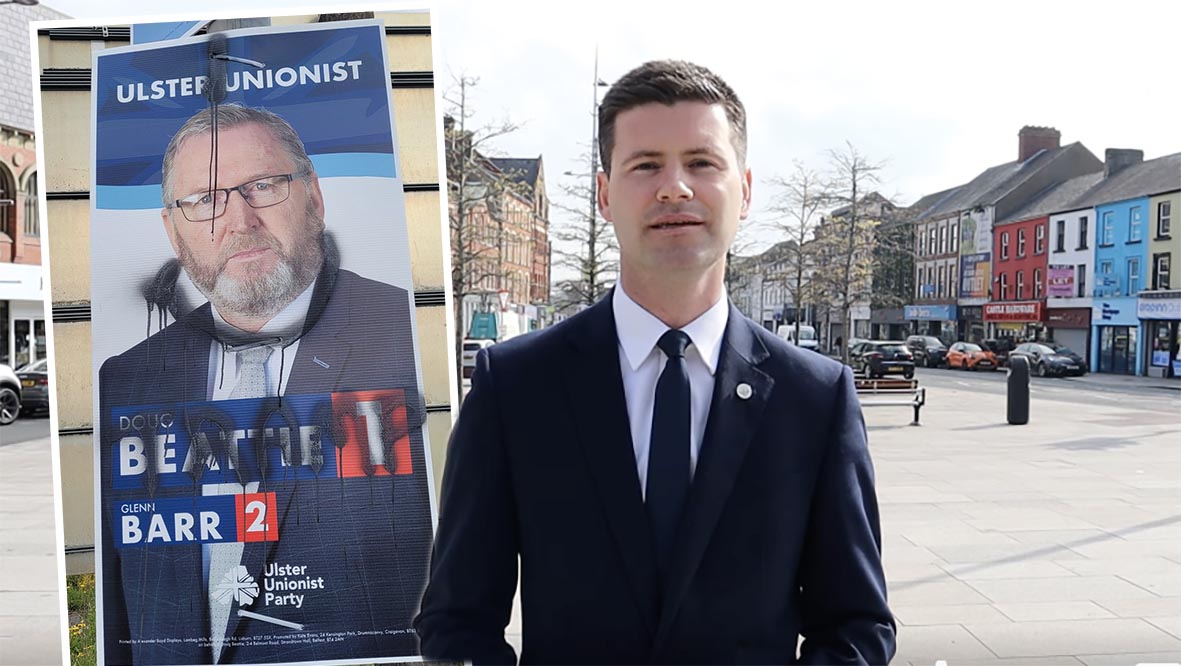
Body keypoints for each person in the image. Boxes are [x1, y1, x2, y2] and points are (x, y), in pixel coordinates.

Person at [415, 60, 895, 664]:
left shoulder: (816, 398)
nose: (675, 187)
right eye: (646, 165)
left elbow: (857, 627)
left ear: (744, 190)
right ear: (603, 194)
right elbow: (457, 621)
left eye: (701, 162)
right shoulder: (515, 387)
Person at [97, 104, 429, 664]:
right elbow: (121, 606)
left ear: (315, 199)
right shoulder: (127, 381)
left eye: (263, 185)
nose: (238, 220)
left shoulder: (410, 344)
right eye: (205, 200)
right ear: (173, 232)